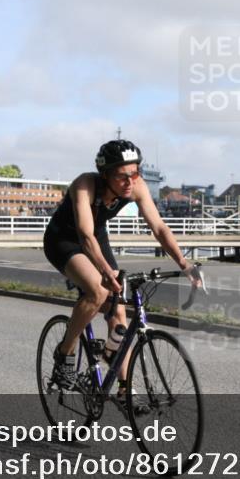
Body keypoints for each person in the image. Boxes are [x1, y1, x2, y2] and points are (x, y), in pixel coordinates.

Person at [43, 139, 201, 395]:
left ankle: (125, 388)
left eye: (135, 173)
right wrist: (105, 272)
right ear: (105, 176)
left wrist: (184, 264)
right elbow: (85, 235)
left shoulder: (136, 187)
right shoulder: (85, 185)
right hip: (64, 240)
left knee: (120, 307)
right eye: (121, 176)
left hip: (97, 236)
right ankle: (65, 353)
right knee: (98, 291)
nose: (129, 181)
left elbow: (159, 228)